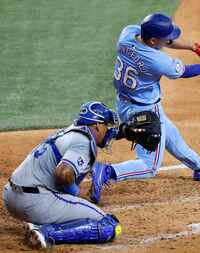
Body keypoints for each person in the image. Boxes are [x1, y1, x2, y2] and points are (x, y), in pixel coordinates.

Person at [90, 13, 200, 204]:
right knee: (149, 166)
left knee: (172, 137)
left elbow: (162, 41)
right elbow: (185, 72)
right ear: (154, 40)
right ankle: (107, 171)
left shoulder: (127, 34)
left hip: (125, 103)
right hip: (145, 113)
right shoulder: (157, 60)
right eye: (165, 39)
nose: (169, 41)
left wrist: (193, 47)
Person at [2, 101, 122, 249]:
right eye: (106, 125)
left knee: (62, 196)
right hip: (33, 203)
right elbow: (63, 174)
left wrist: (126, 132)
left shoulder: (70, 132)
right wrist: (75, 193)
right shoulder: (84, 142)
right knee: (109, 225)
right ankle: (45, 233)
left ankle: (38, 222)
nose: (108, 130)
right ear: (97, 125)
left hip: (11, 197)